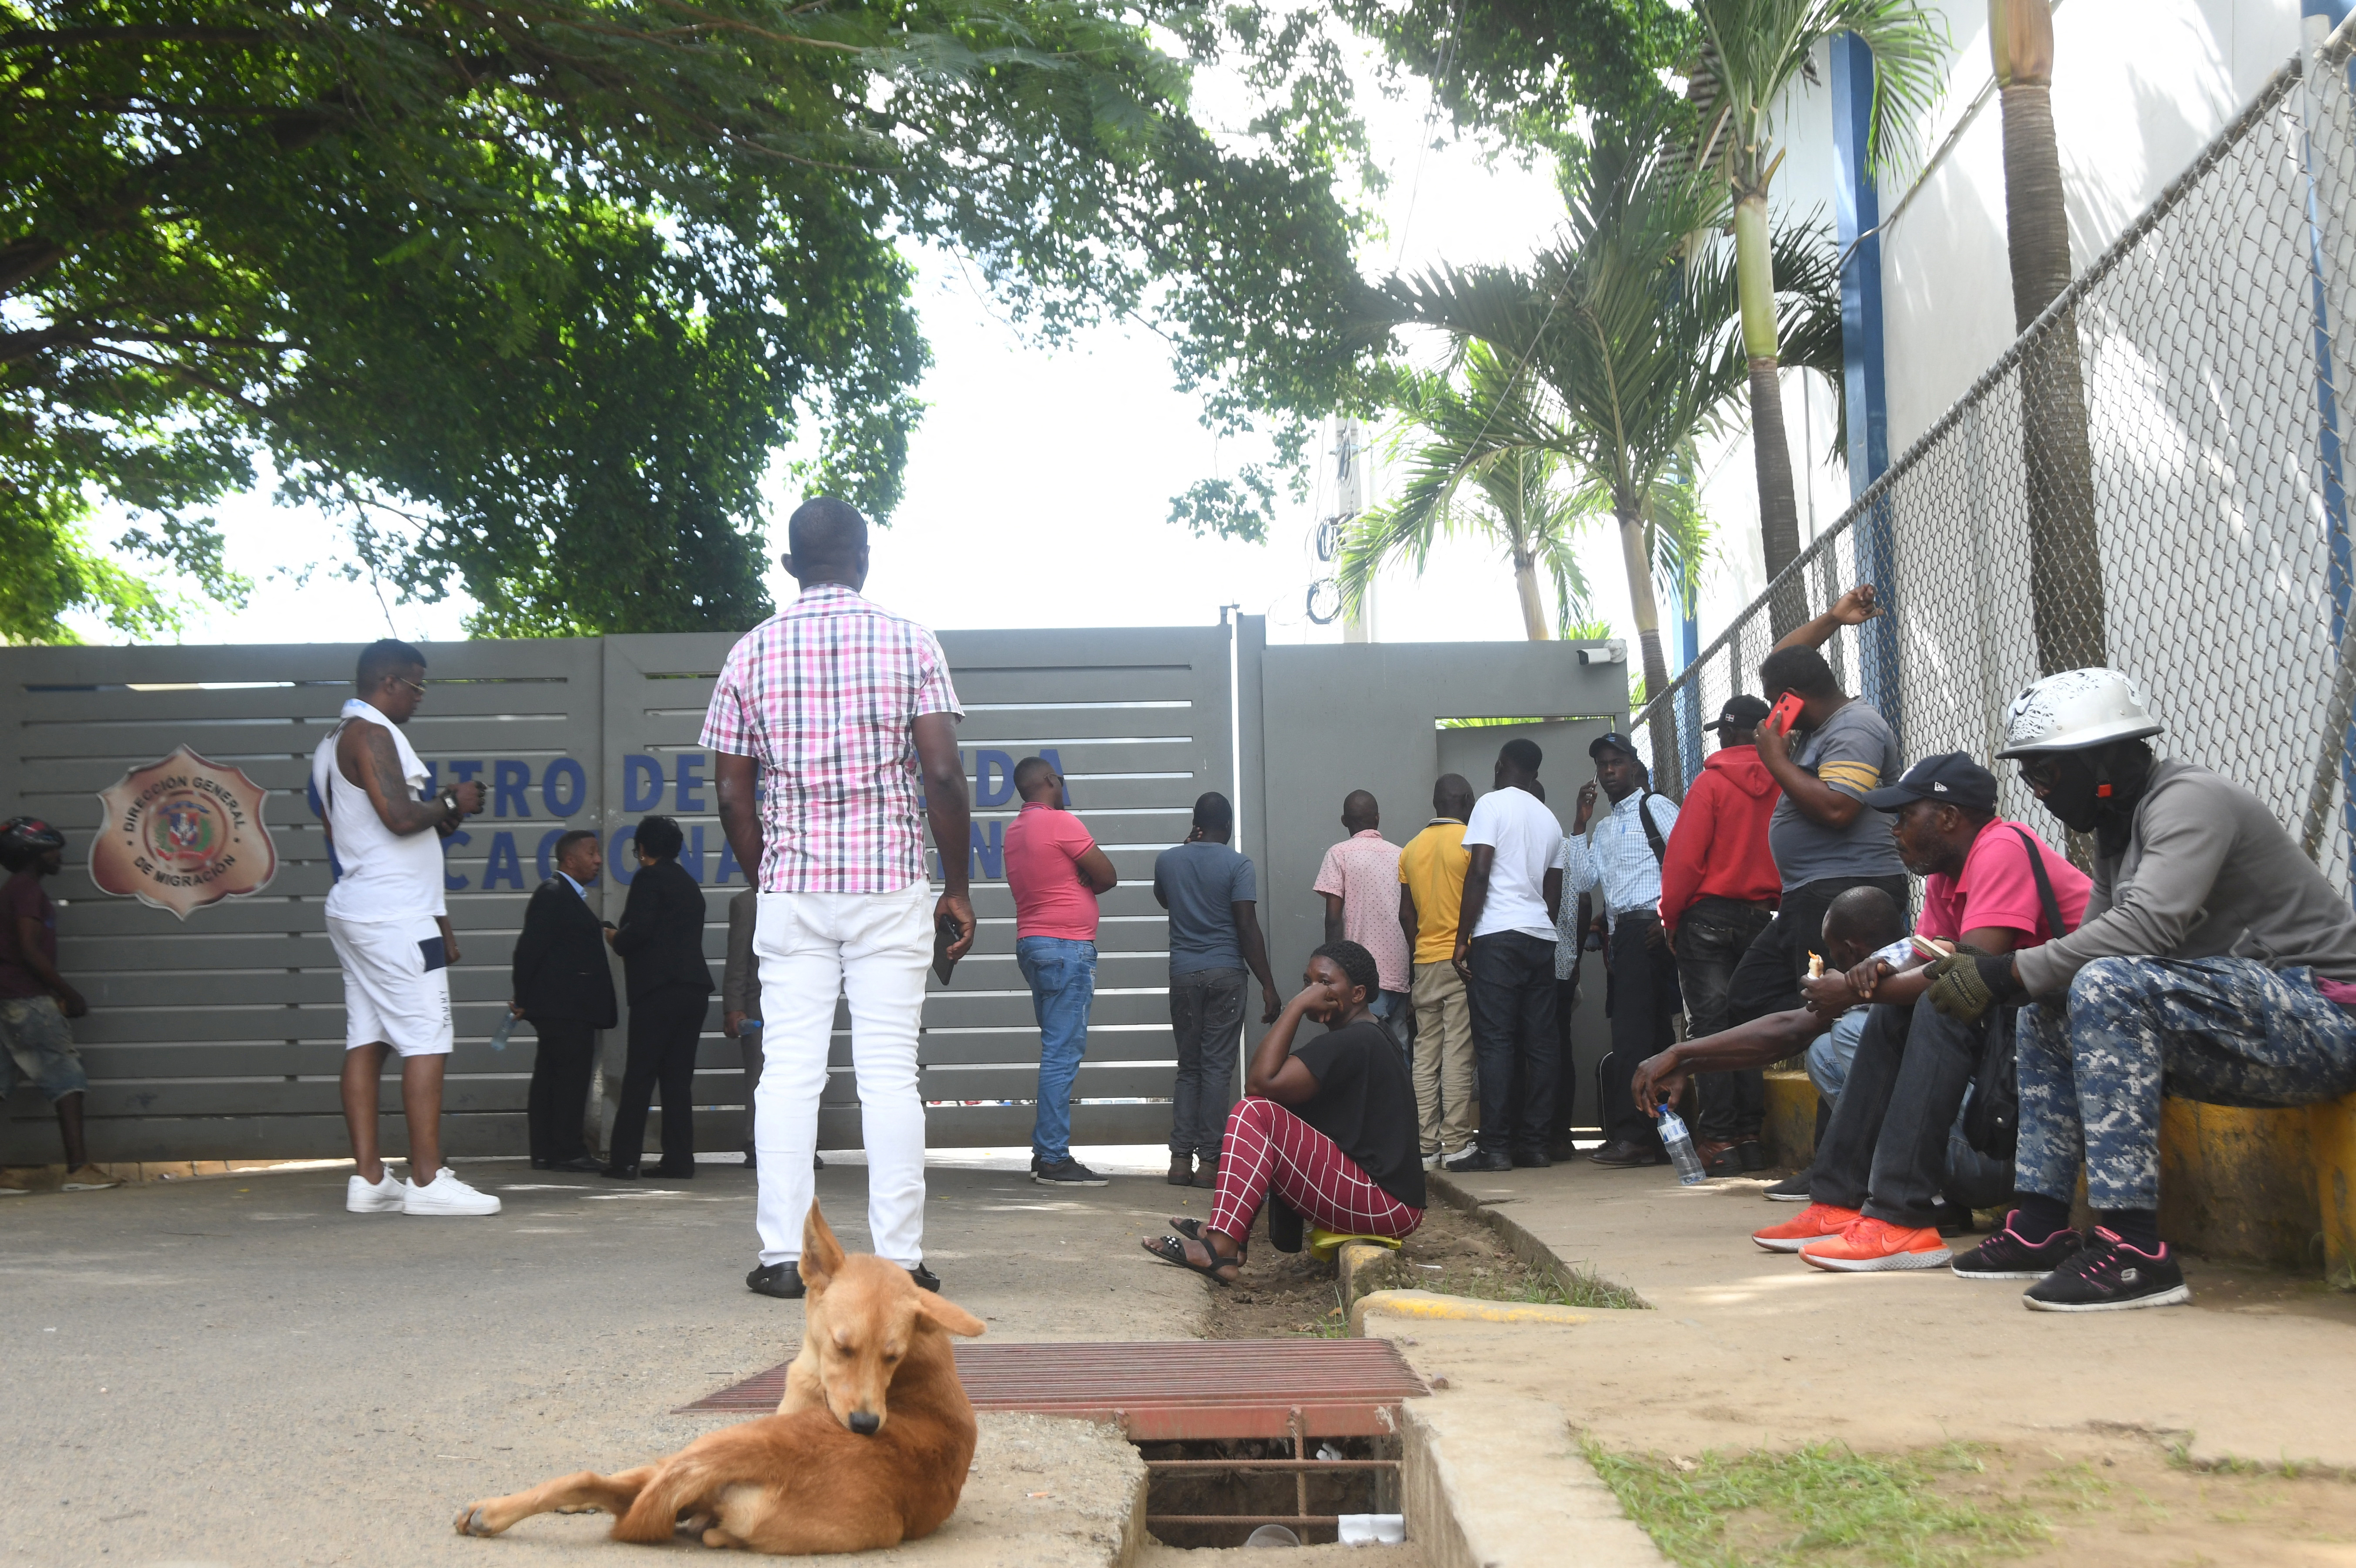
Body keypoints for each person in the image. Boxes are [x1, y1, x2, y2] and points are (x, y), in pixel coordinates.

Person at [1933, 669, 2356, 1310]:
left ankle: (2134, 1250)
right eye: (2030, 775)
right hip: (2251, 1021)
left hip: (2324, 1018)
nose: (2038, 791)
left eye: (2046, 773)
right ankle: (2041, 1226)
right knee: (2052, 998)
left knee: (2101, 981)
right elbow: (2098, 939)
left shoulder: (2190, 801)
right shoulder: (2117, 826)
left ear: (2101, 759)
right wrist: (2021, 981)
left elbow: (2146, 927)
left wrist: (2006, 970)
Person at [707, 496, 972, 1301]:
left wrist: (770, 875)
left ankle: (784, 1258)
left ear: (790, 565)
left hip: (793, 885)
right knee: (889, 1073)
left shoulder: (748, 654)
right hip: (888, 884)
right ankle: (897, 1260)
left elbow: (729, 794)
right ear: (864, 555)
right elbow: (941, 774)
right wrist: (956, 886)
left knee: (787, 1074)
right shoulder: (908, 642)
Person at [1754, 754, 2091, 1270]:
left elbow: (1968, 974)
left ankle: (1901, 1217)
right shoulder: (1945, 872)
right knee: (1896, 1011)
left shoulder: (2000, 848)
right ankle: (1840, 1203)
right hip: (2014, 1039)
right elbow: (1922, 961)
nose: (1894, 831)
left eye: (1904, 817)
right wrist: (1869, 980)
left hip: (2067, 1042)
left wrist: (1855, 992)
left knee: (1939, 1004)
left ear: (1949, 818)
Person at [312, 639, 498, 1217]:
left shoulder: (330, 742)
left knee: (366, 1040)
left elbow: (378, 827)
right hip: (393, 914)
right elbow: (397, 818)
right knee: (427, 1038)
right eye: (417, 687)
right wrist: (452, 798)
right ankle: (426, 1180)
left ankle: (370, 1180)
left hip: (364, 904)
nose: (420, 698)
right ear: (390, 682)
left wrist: (442, 814)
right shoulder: (371, 734)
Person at [1137, 941, 1425, 1285]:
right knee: (1269, 1114)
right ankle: (1230, 1232)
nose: (1314, 991)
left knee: (1254, 1113)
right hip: (1385, 1201)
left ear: (1358, 993)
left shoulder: (1356, 1040)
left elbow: (1259, 1083)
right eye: (1308, 983)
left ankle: (1221, 1248)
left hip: (1386, 1206)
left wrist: (1295, 1006)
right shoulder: (1368, 1034)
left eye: (1325, 983)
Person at [1728, 588, 1908, 1087]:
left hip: (1846, 891)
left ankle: (1841, 1140)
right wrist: (1832, 618)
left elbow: (1837, 808)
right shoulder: (1817, 725)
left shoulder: (1855, 728)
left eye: (1776, 702)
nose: (1772, 711)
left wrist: (1776, 760)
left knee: (1830, 1012)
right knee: (1749, 994)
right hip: (1808, 895)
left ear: (1794, 700)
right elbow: (1782, 661)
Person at [1629, 887, 1905, 1163]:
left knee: (1849, 1030)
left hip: (1932, 1105)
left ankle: (1900, 1161)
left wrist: (1680, 1054)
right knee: (1823, 1051)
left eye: (1834, 953)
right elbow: (1784, 1036)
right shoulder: (1878, 967)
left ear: (1850, 949)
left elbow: (1789, 1029)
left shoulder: (1903, 962)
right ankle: (1873, 1157)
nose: (1832, 961)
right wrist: (1686, 1062)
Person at [1658, 694, 1783, 1176]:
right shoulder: (1783, 785)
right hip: (1758, 917)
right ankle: (1750, 1136)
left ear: (1730, 734)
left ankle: (1717, 1138)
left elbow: (1684, 861)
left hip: (1706, 918)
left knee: (1710, 1030)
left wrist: (1671, 920)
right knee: (1748, 1030)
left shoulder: (1709, 785)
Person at [1561, 734, 1681, 1169]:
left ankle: (1634, 1138)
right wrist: (1579, 824)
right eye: (1602, 765)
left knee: (1636, 1037)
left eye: (1616, 762)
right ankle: (1658, 1136)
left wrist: (1669, 918)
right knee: (1648, 1036)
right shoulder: (1605, 828)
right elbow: (1578, 883)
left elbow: (1687, 857)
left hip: (1651, 932)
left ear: (1633, 765)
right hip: (1623, 940)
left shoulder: (1656, 807)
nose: (1608, 771)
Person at [1153, 791, 1281, 1189]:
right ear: (1226, 825)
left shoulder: (1168, 860)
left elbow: (1164, 900)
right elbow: (1247, 927)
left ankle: (1179, 1161)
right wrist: (1268, 985)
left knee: (1189, 1068)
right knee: (1217, 1070)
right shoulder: (1239, 864)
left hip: (1184, 977)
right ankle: (1210, 1164)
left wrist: (1185, 847)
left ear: (1196, 824)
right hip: (1226, 976)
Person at [1449, 739, 1564, 1173]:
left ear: (1499, 766)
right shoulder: (1548, 819)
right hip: (1539, 936)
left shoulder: (1491, 806)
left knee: (1495, 1042)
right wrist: (1535, 923)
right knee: (1540, 1043)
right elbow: (1550, 895)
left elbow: (1479, 872)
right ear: (1534, 773)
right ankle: (1533, 1145)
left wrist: (1463, 938)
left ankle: (1495, 1147)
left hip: (1497, 935)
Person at [1004, 754, 1120, 1187]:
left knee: (1054, 1049)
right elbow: (1107, 875)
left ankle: (1044, 1153)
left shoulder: (1015, 832)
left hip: (1033, 945)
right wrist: (1082, 879)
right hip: (1066, 947)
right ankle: (1053, 1158)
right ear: (1050, 780)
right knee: (1061, 1054)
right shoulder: (1061, 823)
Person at [0, 818, 115, 1192]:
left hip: (6, 997)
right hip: (25, 1000)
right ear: (31, 854)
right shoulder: (28, 891)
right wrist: (68, 993)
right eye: (52, 850)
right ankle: (78, 1169)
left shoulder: (12, 889)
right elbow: (30, 950)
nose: (59, 857)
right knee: (67, 1078)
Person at [604, 815, 713, 1179]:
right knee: (677, 1080)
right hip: (694, 990)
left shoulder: (649, 878)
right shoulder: (688, 884)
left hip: (659, 991)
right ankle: (680, 1159)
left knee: (641, 1075)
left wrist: (614, 937)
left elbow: (639, 931)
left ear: (643, 849)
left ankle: (624, 1161)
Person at [509, 828, 615, 1173]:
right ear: (570, 860)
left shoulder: (566, 897)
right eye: (591, 853)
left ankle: (548, 1151)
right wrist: (523, 997)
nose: (598, 860)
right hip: (564, 1010)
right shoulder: (553, 894)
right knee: (567, 1080)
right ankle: (566, 1149)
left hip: (567, 1009)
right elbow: (529, 949)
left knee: (553, 1079)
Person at [1398, 776, 1477, 1166]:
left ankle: (1425, 1147)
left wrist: (1419, 951)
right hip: (1462, 962)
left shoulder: (1411, 849)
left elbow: (1405, 913)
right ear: (1465, 799)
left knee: (1425, 1055)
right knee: (1458, 1053)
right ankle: (1456, 1144)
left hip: (1425, 961)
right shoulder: (1470, 841)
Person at [723, 888, 822, 1173]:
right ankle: (756, 1145)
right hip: (760, 1006)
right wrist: (734, 1007)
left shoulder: (814, 896)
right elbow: (738, 959)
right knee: (760, 1076)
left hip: (807, 1003)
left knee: (811, 1073)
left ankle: (808, 1146)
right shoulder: (747, 903)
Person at [1314, 791, 1410, 1035]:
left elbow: (1333, 919)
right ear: (1377, 819)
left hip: (1360, 979)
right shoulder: (1403, 856)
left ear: (1344, 821)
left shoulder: (1339, 854)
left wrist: (1331, 973)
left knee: (1363, 1045)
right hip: (1400, 973)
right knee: (1398, 1046)